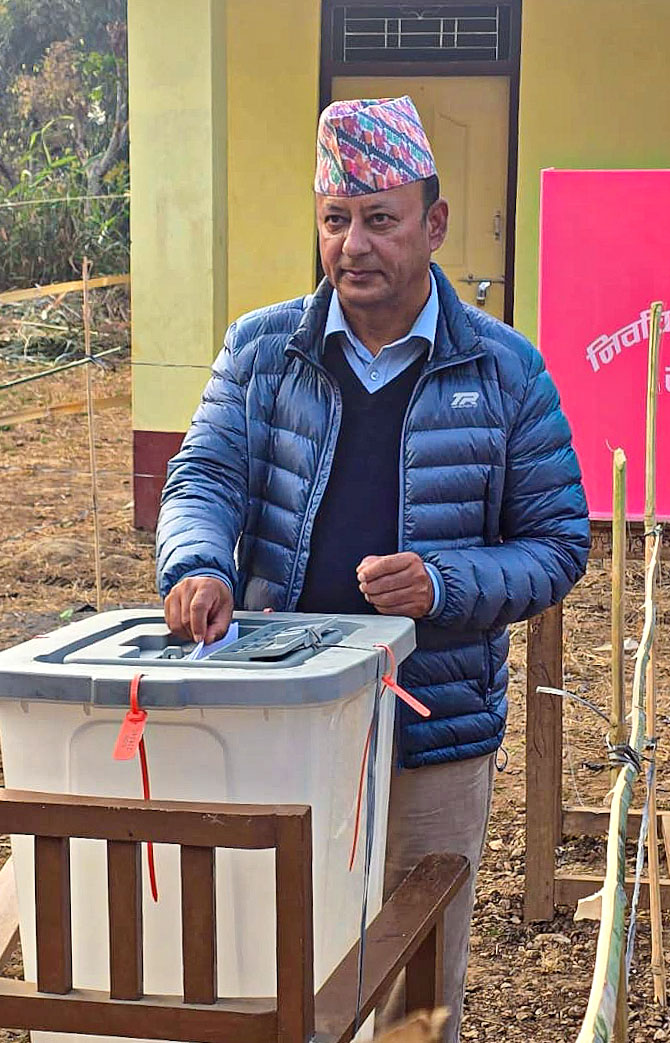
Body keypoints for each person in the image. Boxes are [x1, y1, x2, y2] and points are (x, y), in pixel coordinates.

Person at [155, 96, 590, 1042]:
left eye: (379, 219)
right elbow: (203, 475)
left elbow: (558, 543)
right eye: (334, 219)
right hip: (281, 714)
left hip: (433, 725)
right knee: (270, 950)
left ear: (432, 226)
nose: (354, 245)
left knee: (416, 976)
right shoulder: (264, 350)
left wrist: (443, 583)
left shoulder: (505, 371)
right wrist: (196, 564)